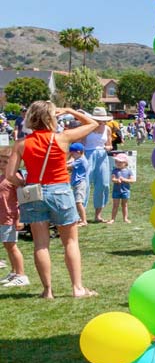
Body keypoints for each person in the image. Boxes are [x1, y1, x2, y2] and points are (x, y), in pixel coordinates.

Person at [3, 102, 99, 298]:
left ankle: (47, 290)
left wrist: (24, 183)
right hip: (60, 191)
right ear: (52, 117)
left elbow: (10, 175)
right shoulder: (63, 138)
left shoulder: (22, 143)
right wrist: (71, 110)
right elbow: (93, 124)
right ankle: (77, 288)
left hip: (34, 192)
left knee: (40, 244)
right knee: (70, 242)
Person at [1, 146, 30, 287]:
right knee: (7, 245)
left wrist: (19, 220)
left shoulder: (15, 178)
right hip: (2, 217)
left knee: (12, 246)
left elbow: (21, 201)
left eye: (5, 162)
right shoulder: (2, 178)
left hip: (10, 217)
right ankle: (13, 272)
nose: (2, 165)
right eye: (0, 162)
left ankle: (21, 274)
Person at [82, 106, 113, 223]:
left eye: (103, 120)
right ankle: (82, 215)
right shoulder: (87, 128)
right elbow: (81, 143)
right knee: (85, 184)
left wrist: (108, 147)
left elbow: (110, 144)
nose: (102, 122)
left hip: (102, 155)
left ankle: (98, 215)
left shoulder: (108, 129)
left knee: (104, 184)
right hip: (88, 155)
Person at [67, 142, 93, 226]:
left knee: (79, 202)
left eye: (72, 153)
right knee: (76, 202)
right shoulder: (79, 159)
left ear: (78, 152)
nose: (71, 155)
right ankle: (79, 218)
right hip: (77, 183)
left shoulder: (81, 160)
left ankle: (84, 220)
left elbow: (68, 166)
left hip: (80, 184)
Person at [109, 153, 133, 223]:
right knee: (115, 205)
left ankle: (125, 218)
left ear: (125, 163)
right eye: (116, 162)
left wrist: (124, 180)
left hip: (125, 191)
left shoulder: (129, 171)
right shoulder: (115, 170)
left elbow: (132, 180)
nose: (118, 163)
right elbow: (113, 179)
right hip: (116, 191)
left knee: (124, 205)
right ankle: (112, 219)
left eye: (120, 162)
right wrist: (117, 180)